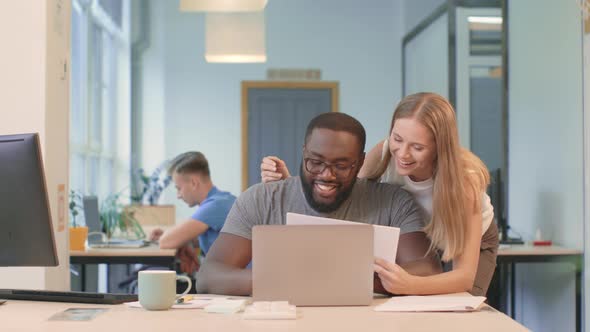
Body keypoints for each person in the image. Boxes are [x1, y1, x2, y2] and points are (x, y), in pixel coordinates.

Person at [260, 92, 499, 296]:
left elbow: (464, 277)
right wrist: (290, 183)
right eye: (397, 139)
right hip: (419, 236)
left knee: (459, 303)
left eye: (417, 147)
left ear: (439, 146)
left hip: (462, 241)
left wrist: (411, 284)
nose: (402, 154)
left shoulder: (464, 182)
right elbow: (343, 197)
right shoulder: (385, 154)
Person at [196, 112, 442, 296]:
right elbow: (209, 275)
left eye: (341, 165)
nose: (327, 174)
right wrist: (292, 281)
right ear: (303, 153)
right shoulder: (261, 199)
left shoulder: (393, 202)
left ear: (360, 162)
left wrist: (344, 280)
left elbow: (427, 269)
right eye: (315, 162)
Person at [150, 151, 236, 274]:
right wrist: (183, 239)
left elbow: (166, 242)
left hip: (237, 284)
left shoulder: (215, 205)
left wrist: (173, 237)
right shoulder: (222, 199)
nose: (178, 195)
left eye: (179, 188)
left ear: (194, 183)